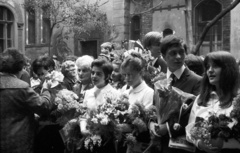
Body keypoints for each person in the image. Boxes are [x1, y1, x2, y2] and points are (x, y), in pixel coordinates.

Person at [149, 35, 202, 153]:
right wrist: (152, 123)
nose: (178, 57)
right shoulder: (159, 81)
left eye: (181, 53)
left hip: (184, 148)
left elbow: (195, 116)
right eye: (173, 53)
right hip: (161, 146)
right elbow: (154, 108)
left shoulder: (197, 81)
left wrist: (168, 128)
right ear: (163, 56)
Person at [0, 48, 55, 153]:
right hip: (18, 141)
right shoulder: (21, 87)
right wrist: (46, 90)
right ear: (20, 67)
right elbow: (44, 106)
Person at [187, 51, 240, 153]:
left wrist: (223, 144)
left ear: (228, 70)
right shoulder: (200, 98)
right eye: (207, 67)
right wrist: (199, 143)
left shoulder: (238, 100)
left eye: (215, 66)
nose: (210, 71)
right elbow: (189, 130)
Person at [32, 55, 65, 153]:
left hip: (58, 130)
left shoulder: (62, 86)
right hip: (42, 131)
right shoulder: (36, 89)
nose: (43, 77)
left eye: (44, 73)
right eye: (39, 74)